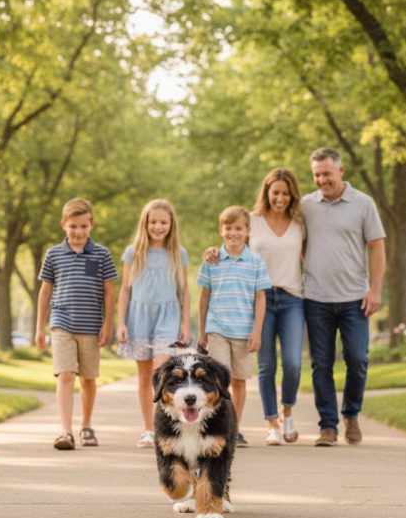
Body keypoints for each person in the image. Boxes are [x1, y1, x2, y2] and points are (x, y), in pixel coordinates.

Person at [204, 168, 306, 446]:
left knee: (293, 363)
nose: (280, 198)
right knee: (266, 364)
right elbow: (232, 242)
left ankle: (287, 412)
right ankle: (272, 423)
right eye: (276, 192)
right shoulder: (253, 220)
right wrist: (212, 251)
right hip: (257, 300)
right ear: (267, 192)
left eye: (285, 193)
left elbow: (307, 256)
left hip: (292, 297)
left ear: (292, 195)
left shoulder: (299, 222)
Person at [303, 147, 386, 447]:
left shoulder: (364, 204)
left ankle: (351, 414)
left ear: (341, 171)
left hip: (354, 298)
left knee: (357, 359)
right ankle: (328, 426)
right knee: (321, 364)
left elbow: (376, 247)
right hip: (315, 298)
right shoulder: (306, 206)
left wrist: (375, 290)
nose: (322, 180)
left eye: (326, 173)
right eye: (317, 175)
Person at [35, 198, 117, 451]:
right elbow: (45, 291)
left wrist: (107, 324)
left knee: (89, 378)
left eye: (83, 226)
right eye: (73, 226)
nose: (78, 232)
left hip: (91, 325)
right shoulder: (54, 254)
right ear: (64, 225)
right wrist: (39, 327)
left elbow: (109, 293)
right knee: (66, 375)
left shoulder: (102, 254)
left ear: (91, 225)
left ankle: (87, 425)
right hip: (62, 323)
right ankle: (66, 431)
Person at [116, 199, 191, 448]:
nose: (158, 226)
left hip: (167, 317)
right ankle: (148, 429)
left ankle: (165, 427)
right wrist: (121, 323)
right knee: (144, 376)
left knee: (162, 372)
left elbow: (184, 291)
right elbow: (125, 290)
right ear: (145, 223)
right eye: (153, 222)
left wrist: (185, 325)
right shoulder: (133, 252)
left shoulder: (177, 253)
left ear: (171, 225)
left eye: (163, 222)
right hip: (139, 316)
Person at [198, 206, 271, 447]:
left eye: (238, 228)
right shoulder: (212, 259)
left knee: (240, 380)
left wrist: (257, 330)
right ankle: (219, 425)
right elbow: (204, 296)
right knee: (220, 378)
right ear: (221, 230)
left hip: (243, 331)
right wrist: (202, 331)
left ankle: (235, 426)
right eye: (228, 228)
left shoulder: (255, 262)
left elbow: (260, 298)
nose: (233, 233)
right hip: (217, 328)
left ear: (248, 231)